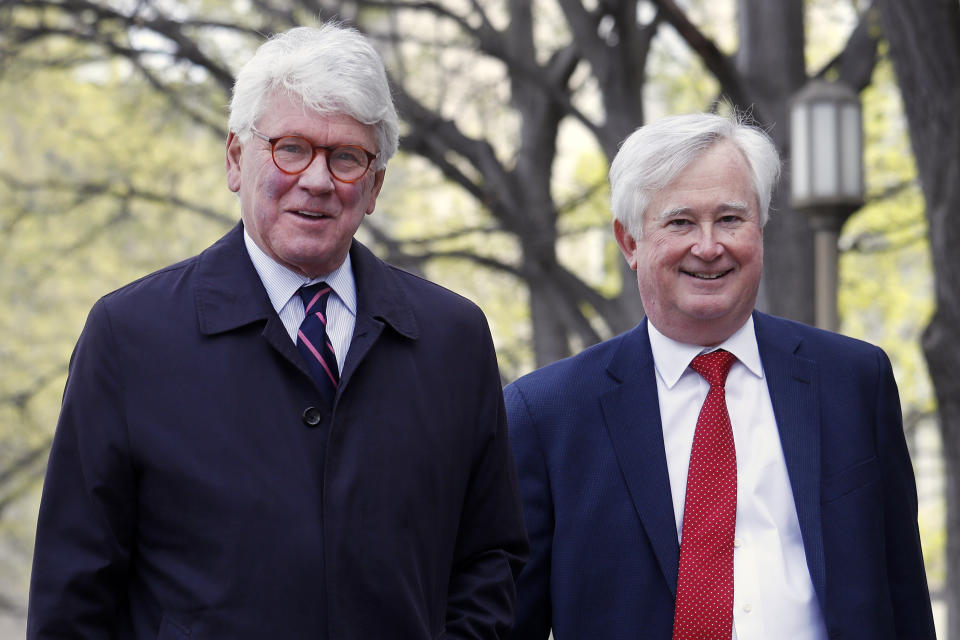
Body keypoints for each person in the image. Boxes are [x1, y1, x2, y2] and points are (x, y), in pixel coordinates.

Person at [28, 23, 527, 639]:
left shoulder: (453, 339)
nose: (317, 180)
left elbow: (488, 563)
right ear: (237, 159)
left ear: (374, 186)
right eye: (291, 148)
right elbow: (74, 590)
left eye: (346, 157)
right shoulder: (129, 336)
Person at [505, 112, 936, 639]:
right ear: (630, 242)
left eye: (730, 219)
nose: (709, 247)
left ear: (760, 228)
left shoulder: (853, 382)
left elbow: (905, 600)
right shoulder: (547, 415)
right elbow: (510, 623)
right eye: (680, 222)